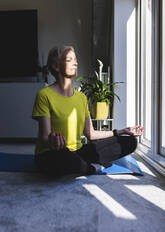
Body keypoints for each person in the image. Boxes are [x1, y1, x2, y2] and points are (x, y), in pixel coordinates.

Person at [32, 45, 144, 176]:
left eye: (75, 59)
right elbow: (45, 137)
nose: (76, 63)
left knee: (129, 141)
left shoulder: (81, 98)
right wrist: (53, 141)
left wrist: (120, 131)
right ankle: (91, 168)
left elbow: (91, 134)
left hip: (78, 152)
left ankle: (81, 165)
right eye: (69, 60)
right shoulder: (44, 95)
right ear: (56, 66)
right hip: (53, 154)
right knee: (61, 157)